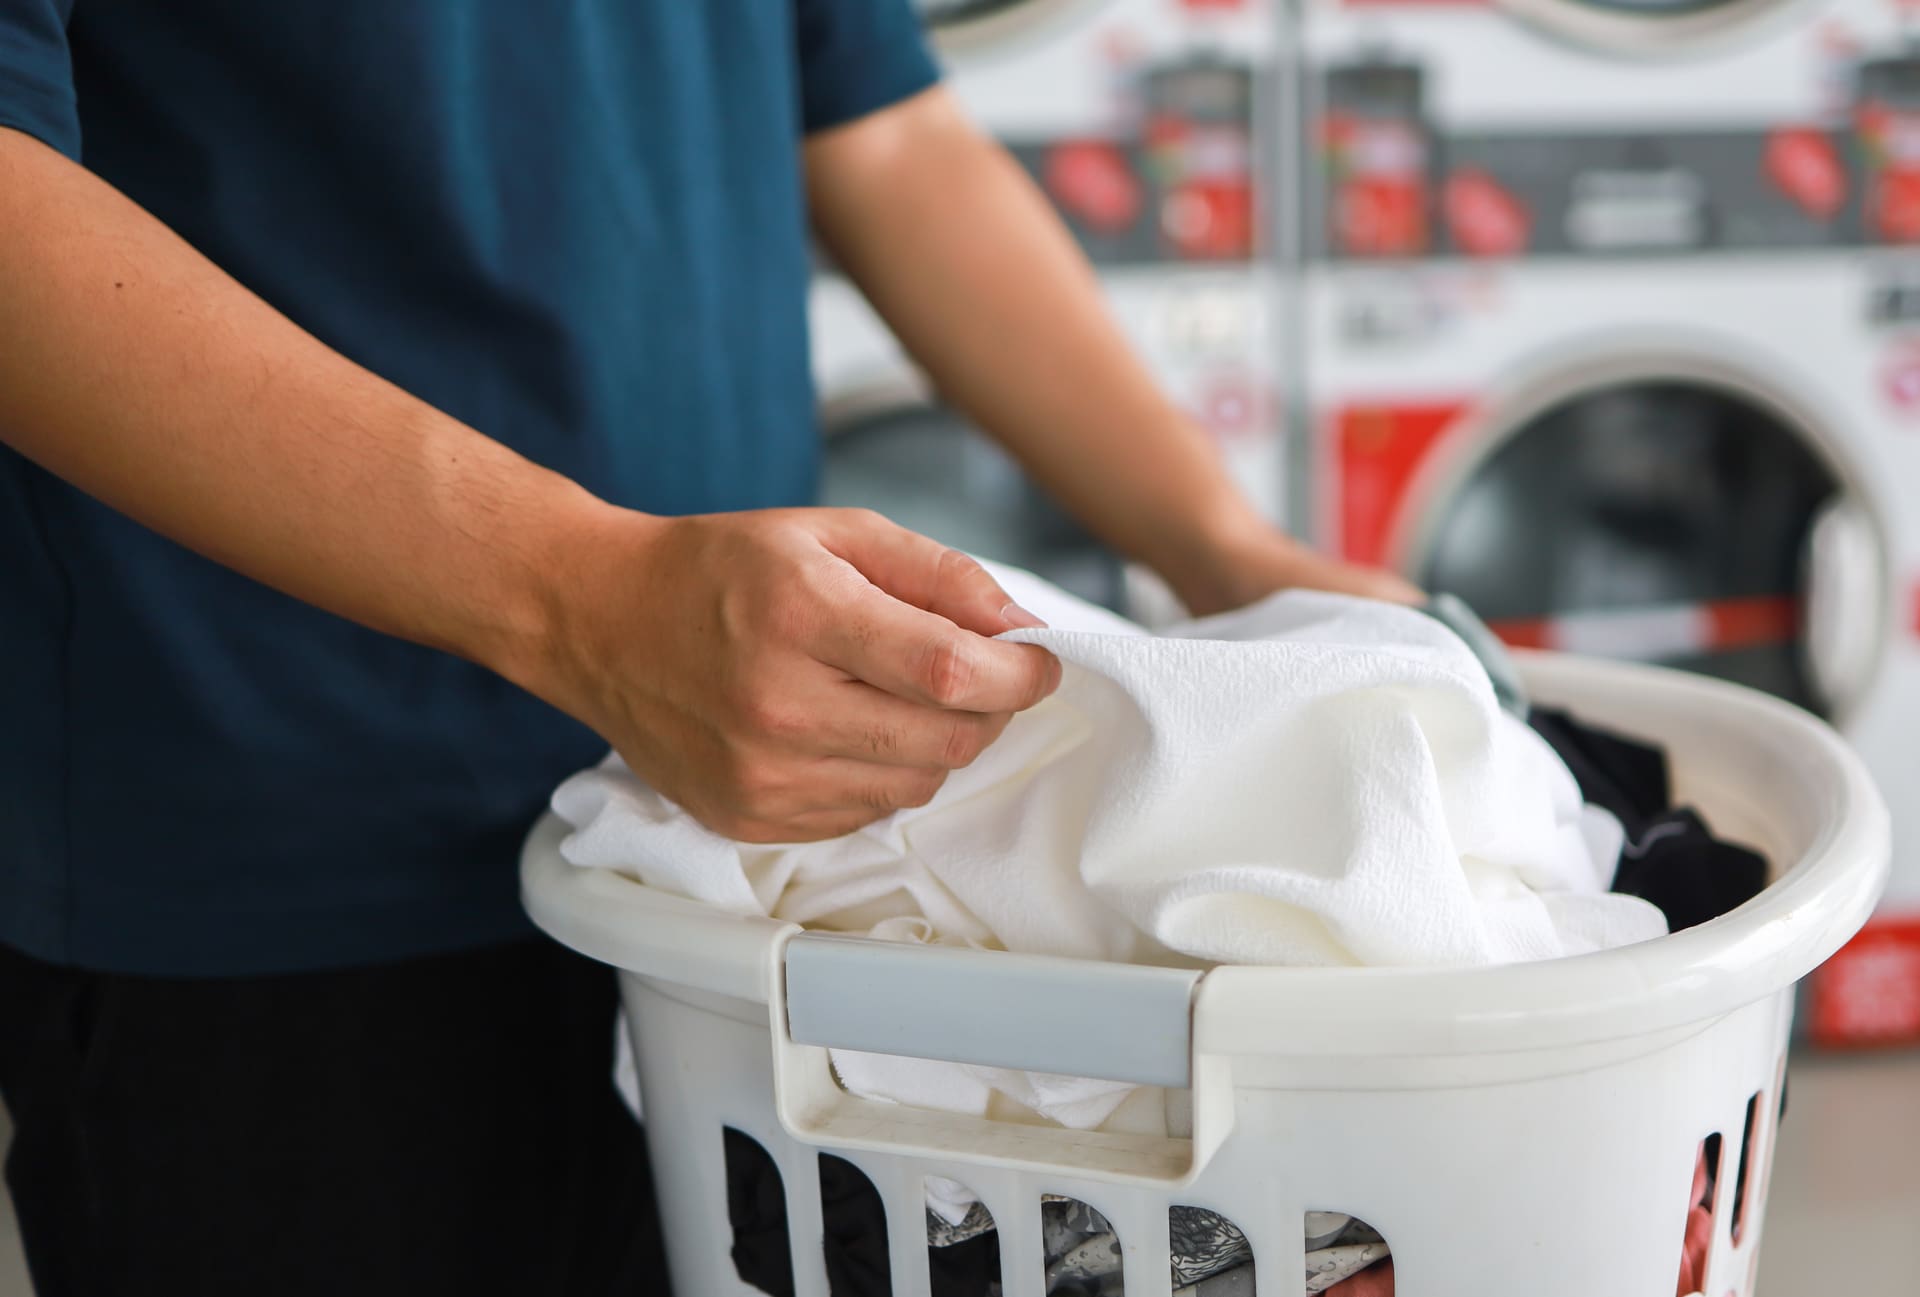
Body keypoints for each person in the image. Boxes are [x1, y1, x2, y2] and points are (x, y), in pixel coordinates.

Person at [0, 3, 1416, 1293]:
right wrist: (582, 600)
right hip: (279, 858)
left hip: (762, 865)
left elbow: (885, 129)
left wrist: (1224, 552)